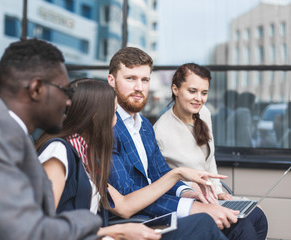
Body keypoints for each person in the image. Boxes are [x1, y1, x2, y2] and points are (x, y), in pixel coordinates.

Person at [0, 39, 102, 239]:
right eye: (65, 91)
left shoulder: (11, 134)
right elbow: (27, 233)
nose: (68, 101)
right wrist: (91, 220)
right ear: (36, 89)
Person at [35, 78, 227, 240]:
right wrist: (117, 231)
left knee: (204, 223)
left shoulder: (87, 156)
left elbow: (125, 205)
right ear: (96, 116)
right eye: (113, 112)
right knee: (203, 225)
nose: (116, 120)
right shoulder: (58, 152)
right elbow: (40, 230)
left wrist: (177, 174)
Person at [107, 47, 266, 240]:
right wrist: (193, 207)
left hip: (163, 209)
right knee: (232, 226)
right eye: (130, 78)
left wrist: (188, 193)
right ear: (112, 81)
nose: (139, 87)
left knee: (255, 218)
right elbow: (128, 198)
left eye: (145, 80)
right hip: (140, 221)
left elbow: (161, 173)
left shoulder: (144, 126)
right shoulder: (107, 128)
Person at [153, 63, 268, 239]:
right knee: (244, 226)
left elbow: (209, 161)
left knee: (258, 217)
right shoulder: (160, 131)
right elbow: (162, 180)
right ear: (175, 89)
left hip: (212, 196)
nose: (199, 98)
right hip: (190, 201)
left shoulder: (204, 113)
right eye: (192, 91)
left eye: (204, 93)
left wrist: (219, 192)